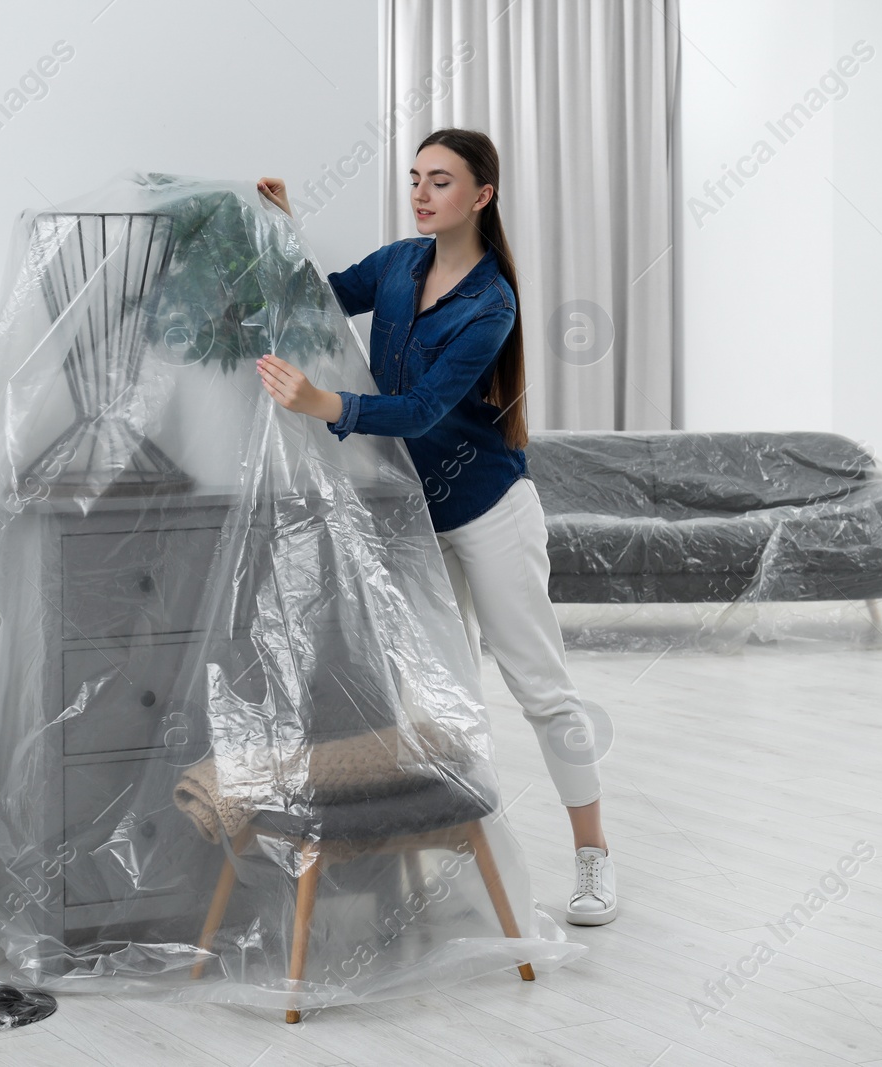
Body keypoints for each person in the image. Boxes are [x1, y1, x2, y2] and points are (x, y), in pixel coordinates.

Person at [253, 128, 617, 926]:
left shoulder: (491, 304)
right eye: (416, 178)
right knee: (435, 689)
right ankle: (459, 856)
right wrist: (284, 227)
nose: (420, 193)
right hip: (413, 512)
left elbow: (418, 410)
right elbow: (318, 293)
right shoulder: (397, 263)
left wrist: (325, 405)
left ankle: (592, 855)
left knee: (540, 688)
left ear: (482, 196)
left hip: (488, 512)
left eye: (441, 181)